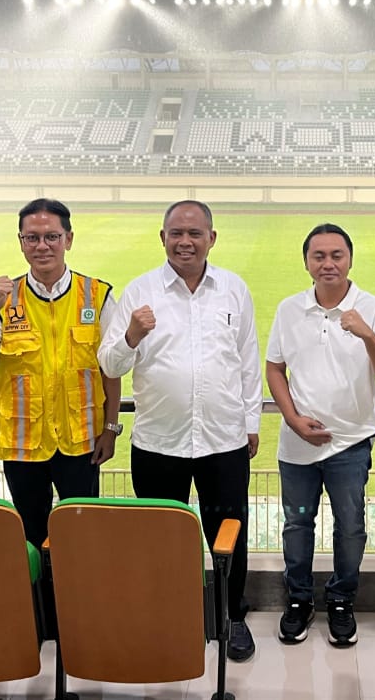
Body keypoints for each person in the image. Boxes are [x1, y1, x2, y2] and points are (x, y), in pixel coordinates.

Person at [99, 200, 262, 663]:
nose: (185, 242)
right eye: (176, 233)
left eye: (194, 233)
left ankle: (232, 616)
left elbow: (248, 361)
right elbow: (109, 363)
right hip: (158, 443)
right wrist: (131, 335)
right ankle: (168, 617)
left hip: (223, 441)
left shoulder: (233, 289)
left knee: (229, 535)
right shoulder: (140, 291)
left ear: (212, 238)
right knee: (161, 540)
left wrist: (250, 423)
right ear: (163, 237)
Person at [266, 223, 375, 647]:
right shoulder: (289, 309)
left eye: (336, 255)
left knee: (350, 527)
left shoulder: (373, 309)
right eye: (319, 256)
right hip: (297, 444)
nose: (328, 263)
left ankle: (342, 600)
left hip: (351, 442)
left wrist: (367, 335)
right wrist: (292, 418)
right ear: (307, 262)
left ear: (350, 259)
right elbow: (275, 368)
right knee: (296, 524)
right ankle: (299, 599)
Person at [0, 198, 120, 549]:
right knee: (31, 537)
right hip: (22, 445)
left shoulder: (97, 296)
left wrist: (111, 428)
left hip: (81, 442)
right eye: (32, 238)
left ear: (68, 239)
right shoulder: (4, 299)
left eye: (52, 237)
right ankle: (39, 588)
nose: (42, 246)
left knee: (81, 535)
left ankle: (75, 587)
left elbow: (111, 369)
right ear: (21, 242)